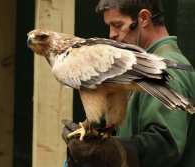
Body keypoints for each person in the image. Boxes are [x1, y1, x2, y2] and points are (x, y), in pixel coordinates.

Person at [62, 0, 195, 167]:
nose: (112, 34)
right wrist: (94, 138)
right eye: (109, 26)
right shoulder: (134, 64)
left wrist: (107, 151)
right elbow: (133, 131)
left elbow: (165, 145)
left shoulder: (164, 68)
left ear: (144, 18)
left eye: (118, 25)